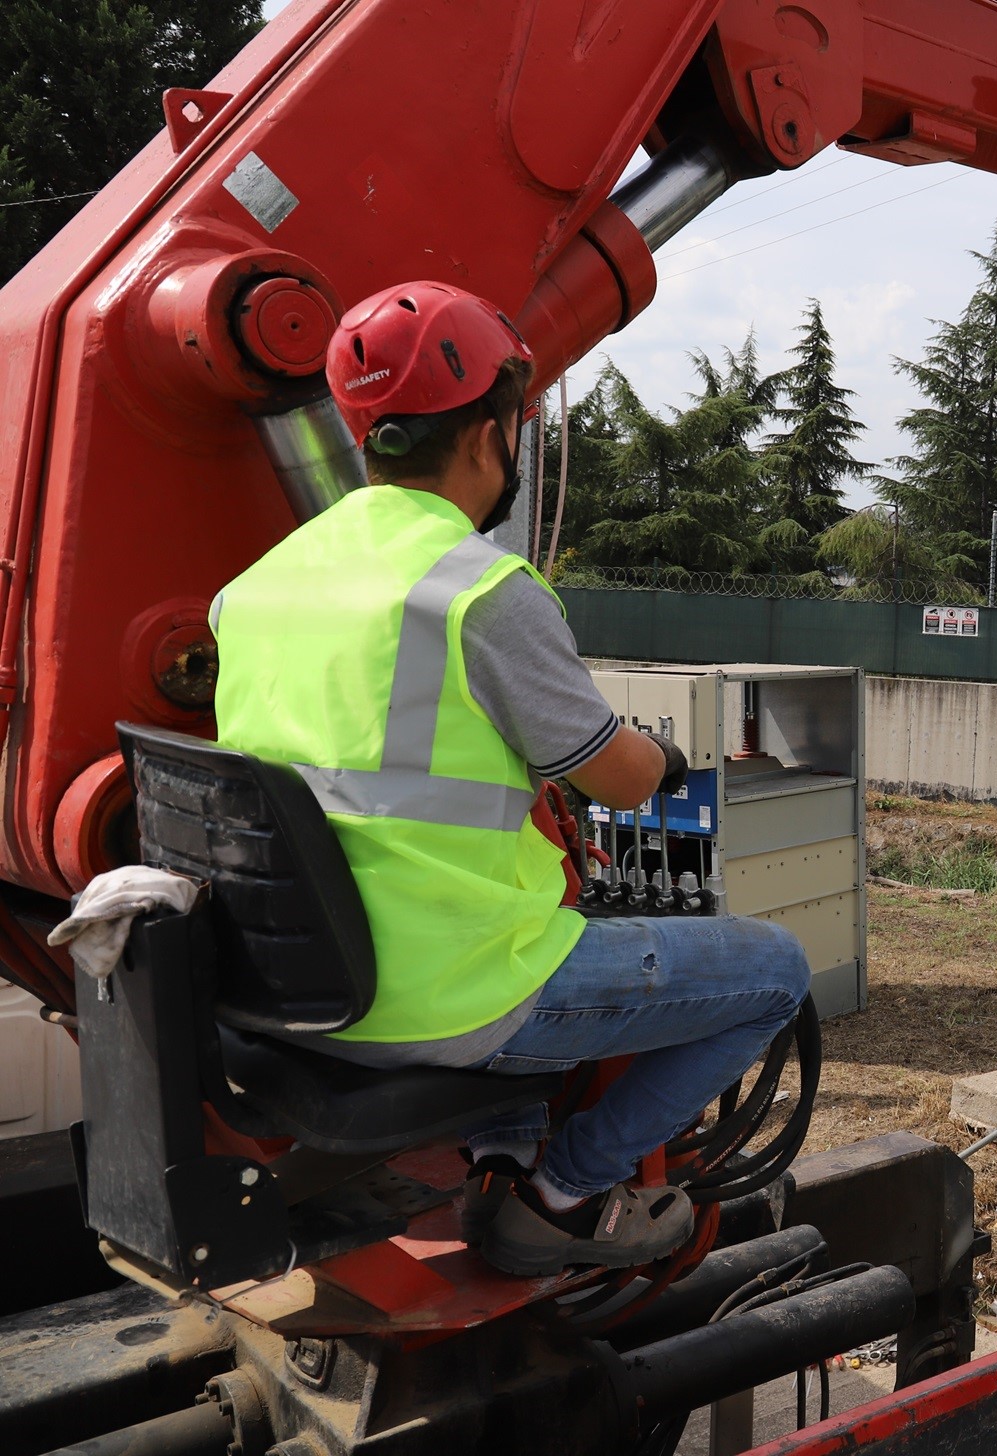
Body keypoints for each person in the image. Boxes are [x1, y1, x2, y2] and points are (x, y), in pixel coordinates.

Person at [211, 282, 810, 1276]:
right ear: (492, 437)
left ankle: (498, 1150)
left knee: (541, 911)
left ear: (366, 434)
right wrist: (663, 757)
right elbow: (614, 777)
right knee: (774, 972)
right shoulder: (480, 590)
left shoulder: (257, 587)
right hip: (445, 999)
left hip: (292, 991)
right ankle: (568, 1193)